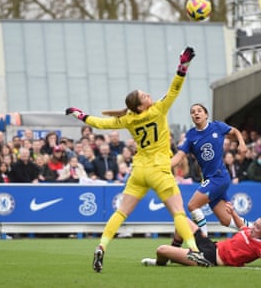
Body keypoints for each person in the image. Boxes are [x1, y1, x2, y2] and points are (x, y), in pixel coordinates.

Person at [66, 46, 206, 273]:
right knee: (178, 213)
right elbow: (175, 89)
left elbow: (100, 123)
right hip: (160, 169)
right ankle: (194, 250)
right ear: (142, 105)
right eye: (144, 96)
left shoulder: (128, 119)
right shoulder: (158, 110)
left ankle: (102, 246)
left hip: (139, 170)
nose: (149, 95)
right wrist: (183, 66)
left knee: (121, 213)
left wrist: (79, 114)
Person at [171, 103, 248, 236]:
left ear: (206, 115)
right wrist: (163, 166)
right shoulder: (191, 136)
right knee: (226, 220)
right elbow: (179, 156)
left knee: (192, 206)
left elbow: (235, 131)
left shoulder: (217, 127)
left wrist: (242, 143)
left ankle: (204, 242)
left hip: (218, 177)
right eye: (193, 112)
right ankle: (258, 234)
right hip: (210, 179)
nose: (196, 113)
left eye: (199, 111)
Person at [141, 202, 261, 268]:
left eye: (257, 226)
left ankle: (162, 261)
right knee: (182, 221)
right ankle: (171, 257)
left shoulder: (260, 246)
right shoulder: (249, 231)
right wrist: (233, 213)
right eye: (254, 224)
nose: (253, 227)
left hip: (209, 258)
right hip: (210, 245)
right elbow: (241, 225)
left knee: (161, 250)